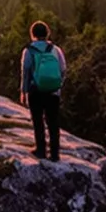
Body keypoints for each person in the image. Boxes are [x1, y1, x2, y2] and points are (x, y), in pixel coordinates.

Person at [19, 21, 66, 161]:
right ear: (47, 34)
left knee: (38, 121)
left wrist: (24, 91)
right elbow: (63, 69)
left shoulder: (29, 50)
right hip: (53, 91)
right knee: (53, 121)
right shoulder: (55, 49)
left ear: (32, 34)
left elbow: (25, 71)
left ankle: (41, 150)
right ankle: (55, 153)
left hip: (36, 90)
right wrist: (58, 84)